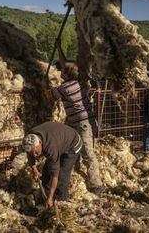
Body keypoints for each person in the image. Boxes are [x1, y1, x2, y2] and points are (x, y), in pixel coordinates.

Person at [42, 41, 104, 193]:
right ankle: (72, 172)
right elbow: (68, 66)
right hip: (80, 121)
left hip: (81, 124)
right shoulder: (80, 81)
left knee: (87, 152)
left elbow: (50, 97)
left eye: (61, 70)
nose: (60, 70)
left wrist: (45, 86)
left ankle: (96, 184)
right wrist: (59, 49)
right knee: (72, 148)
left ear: (65, 75)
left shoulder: (65, 88)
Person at [22, 122, 82, 208]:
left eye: (36, 152)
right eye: (32, 153)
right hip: (60, 141)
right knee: (46, 171)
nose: (35, 155)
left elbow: (55, 176)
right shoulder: (29, 139)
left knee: (62, 174)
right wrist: (34, 170)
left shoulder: (50, 147)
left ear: (40, 142)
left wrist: (50, 197)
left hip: (73, 144)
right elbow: (30, 155)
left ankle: (62, 203)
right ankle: (45, 197)